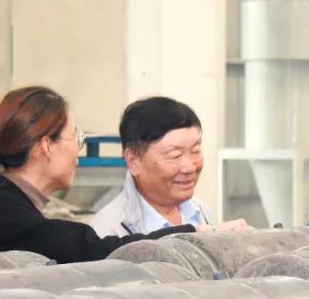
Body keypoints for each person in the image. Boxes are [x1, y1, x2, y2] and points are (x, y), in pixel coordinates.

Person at [0, 86, 199, 263]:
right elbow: (95, 252)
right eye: (75, 137)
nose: (78, 150)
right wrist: (193, 235)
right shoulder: (0, 211)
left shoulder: (3, 202)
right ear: (46, 146)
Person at [90, 96, 248, 236]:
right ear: (134, 161)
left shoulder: (201, 213)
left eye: (195, 151)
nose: (190, 167)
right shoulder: (109, 230)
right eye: (175, 155)